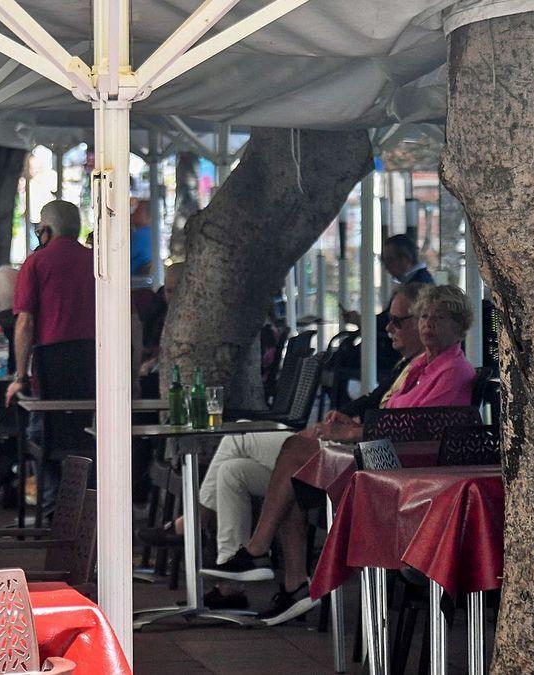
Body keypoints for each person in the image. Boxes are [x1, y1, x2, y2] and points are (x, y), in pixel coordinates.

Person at [196, 284, 475, 623]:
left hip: (395, 471)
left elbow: (414, 425)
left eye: (438, 317)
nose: (428, 323)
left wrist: (353, 431)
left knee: (288, 450)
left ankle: (239, 544)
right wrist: (352, 424)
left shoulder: (453, 370)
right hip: (376, 452)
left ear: (459, 325)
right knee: (242, 471)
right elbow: (383, 408)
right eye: (425, 316)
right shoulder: (420, 366)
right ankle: (293, 583)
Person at [4, 200, 95, 406]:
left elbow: (25, 324)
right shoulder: (97, 261)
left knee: (46, 428)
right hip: (94, 363)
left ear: (46, 230)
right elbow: (131, 319)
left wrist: (20, 377)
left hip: (50, 366)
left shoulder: (35, 263)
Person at [341, 234, 435, 379]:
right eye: (383, 260)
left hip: (394, 348)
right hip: (392, 343)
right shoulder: (415, 280)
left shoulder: (418, 285)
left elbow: (393, 320)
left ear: (405, 259)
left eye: (389, 260)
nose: (385, 266)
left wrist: (361, 321)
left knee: (340, 360)